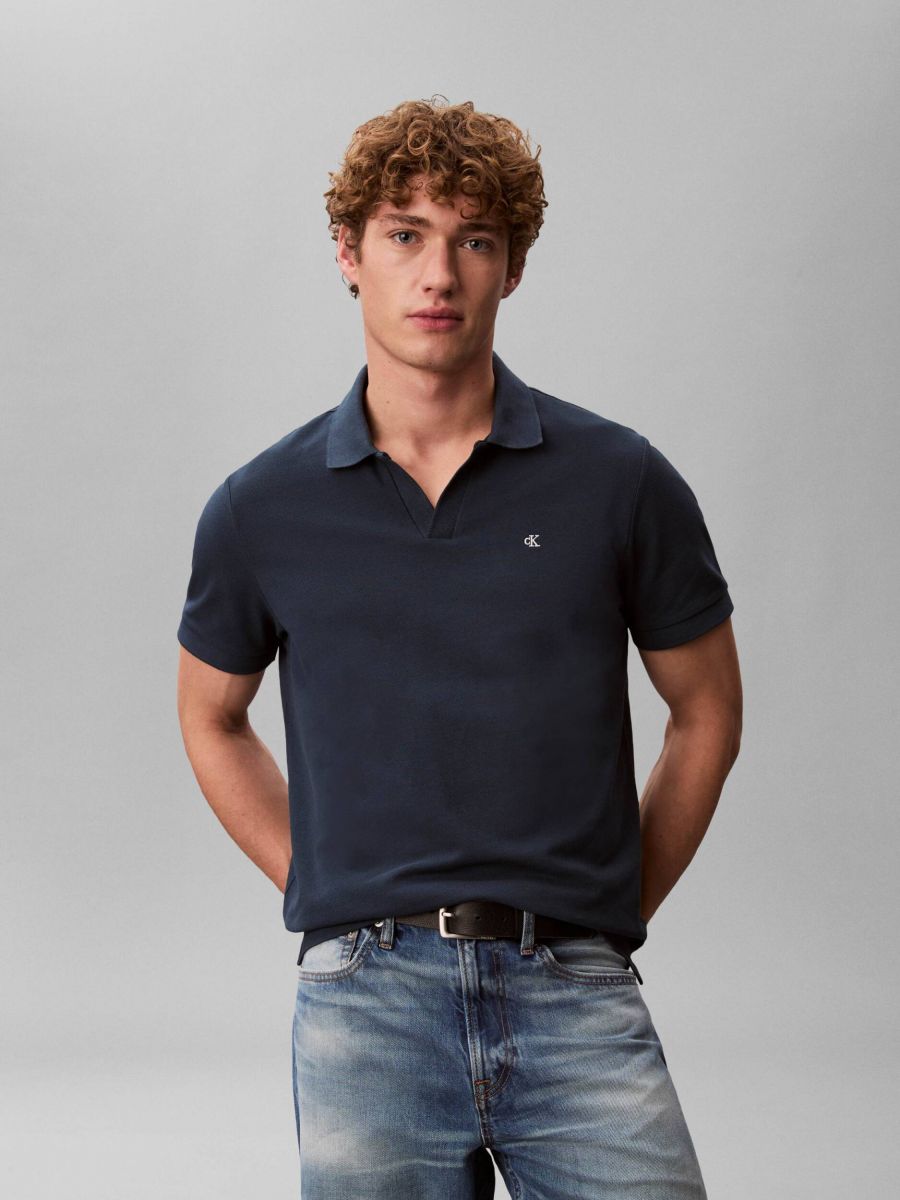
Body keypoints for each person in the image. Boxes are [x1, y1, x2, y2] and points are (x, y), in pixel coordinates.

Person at [176, 96, 742, 1199]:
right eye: (405, 235)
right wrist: (320, 880)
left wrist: (614, 900)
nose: (438, 274)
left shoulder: (620, 480)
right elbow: (210, 713)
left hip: (574, 987)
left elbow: (708, 709)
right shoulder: (261, 507)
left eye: (474, 240)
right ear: (349, 255)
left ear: (511, 267)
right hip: (367, 1005)